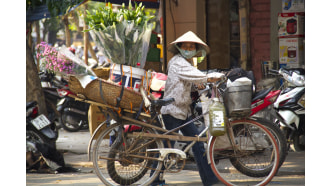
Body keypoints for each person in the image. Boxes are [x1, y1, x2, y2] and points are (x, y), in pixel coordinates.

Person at [150, 31, 224, 186]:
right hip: (172, 111)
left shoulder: (187, 63)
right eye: (186, 46)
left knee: (197, 144)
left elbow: (194, 80)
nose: (188, 48)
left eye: (192, 47)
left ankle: (210, 180)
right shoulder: (178, 62)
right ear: (179, 47)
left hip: (184, 111)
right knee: (166, 147)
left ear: (196, 50)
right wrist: (213, 76)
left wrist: (204, 85)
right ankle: (155, 180)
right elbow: (196, 76)